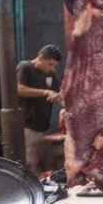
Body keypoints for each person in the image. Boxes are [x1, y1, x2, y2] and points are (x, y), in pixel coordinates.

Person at [16, 44, 62, 175]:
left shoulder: (51, 74)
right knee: (32, 165)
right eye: (49, 64)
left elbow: (59, 91)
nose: (51, 68)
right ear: (40, 58)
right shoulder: (25, 67)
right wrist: (45, 92)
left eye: (54, 65)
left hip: (45, 127)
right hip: (28, 126)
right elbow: (19, 89)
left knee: (46, 167)